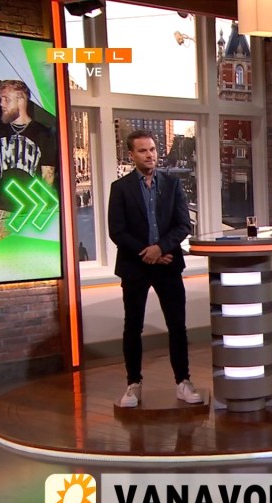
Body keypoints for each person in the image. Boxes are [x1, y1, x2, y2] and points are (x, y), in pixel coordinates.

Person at [109, 130, 201, 408]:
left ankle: (183, 381)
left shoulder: (172, 185)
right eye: (143, 151)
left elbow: (183, 225)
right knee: (132, 327)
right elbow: (117, 231)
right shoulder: (120, 188)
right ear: (131, 155)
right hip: (135, 267)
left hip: (168, 264)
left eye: (152, 149)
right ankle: (133, 384)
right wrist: (148, 254)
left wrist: (160, 249)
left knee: (177, 326)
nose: (149, 155)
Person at [0, 80, 56, 245]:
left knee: (26, 257)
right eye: (1, 98)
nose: (1, 103)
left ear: (21, 100)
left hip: (30, 209)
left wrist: (41, 208)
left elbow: (48, 173)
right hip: (2, 208)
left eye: (6, 99)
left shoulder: (43, 133)